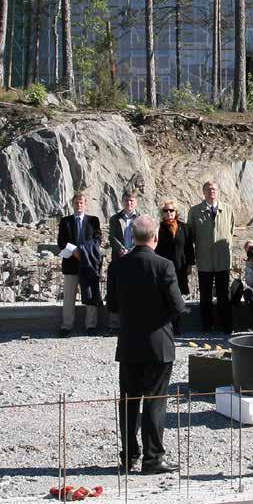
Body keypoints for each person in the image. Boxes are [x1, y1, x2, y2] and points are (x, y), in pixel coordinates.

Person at [107, 215, 186, 475]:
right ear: (155, 237)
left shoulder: (117, 266)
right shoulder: (164, 265)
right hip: (158, 343)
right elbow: (178, 306)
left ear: (132, 237)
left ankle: (129, 456)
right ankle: (152, 459)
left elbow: (112, 306)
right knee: (155, 401)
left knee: (129, 401)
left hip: (129, 343)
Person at [187, 180, 235, 333]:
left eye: (214, 189)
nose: (211, 192)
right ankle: (207, 326)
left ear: (218, 191)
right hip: (205, 260)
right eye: (208, 189)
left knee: (223, 294)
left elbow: (231, 232)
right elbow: (190, 236)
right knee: (205, 295)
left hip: (222, 259)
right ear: (203, 192)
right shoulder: (194, 211)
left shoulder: (228, 210)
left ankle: (225, 326)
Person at [57, 192, 103, 337]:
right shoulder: (65, 221)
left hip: (88, 264)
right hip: (70, 264)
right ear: (72, 204)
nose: (79, 205)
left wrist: (82, 251)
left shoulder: (94, 221)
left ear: (85, 204)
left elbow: (97, 240)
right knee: (69, 297)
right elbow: (61, 242)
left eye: (81, 202)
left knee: (90, 294)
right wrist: (74, 251)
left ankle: (91, 325)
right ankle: (67, 326)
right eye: (76, 202)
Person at [154, 200, 193, 335]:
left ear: (176, 212)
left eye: (171, 210)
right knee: (165, 297)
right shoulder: (158, 229)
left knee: (178, 297)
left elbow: (189, 248)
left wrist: (190, 264)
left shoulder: (184, 228)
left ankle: (178, 326)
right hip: (164, 268)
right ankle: (166, 326)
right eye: (166, 211)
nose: (169, 213)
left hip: (180, 268)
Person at [107, 190, 140, 332]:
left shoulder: (141, 219)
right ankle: (114, 325)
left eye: (131, 200)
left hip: (135, 259)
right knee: (116, 290)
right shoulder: (115, 219)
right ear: (122, 201)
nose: (129, 203)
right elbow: (112, 237)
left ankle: (133, 323)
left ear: (136, 202)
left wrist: (132, 250)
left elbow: (143, 237)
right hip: (118, 259)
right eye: (126, 200)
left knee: (134, 292)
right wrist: (121, 249)